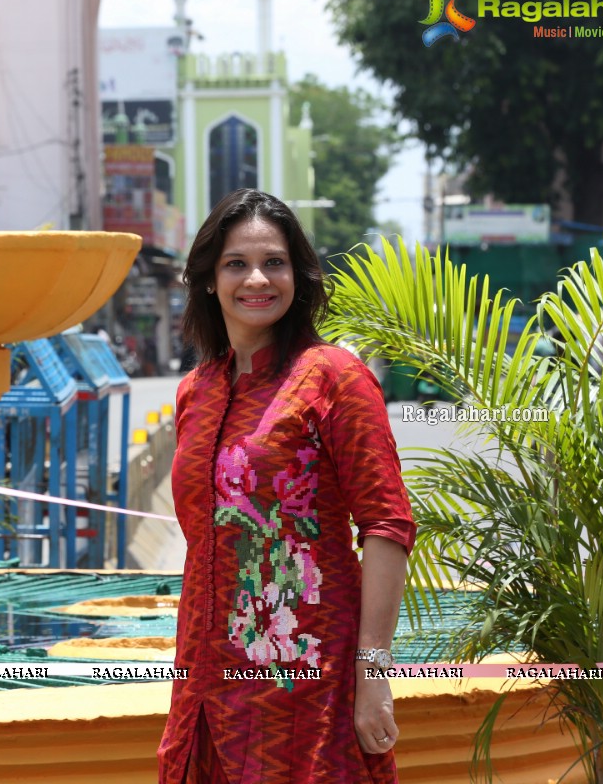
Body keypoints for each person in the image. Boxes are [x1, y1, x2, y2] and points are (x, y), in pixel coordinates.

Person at [158, 189, 416, 783]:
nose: (257, 279)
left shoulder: (334, 377)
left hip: (304, 680)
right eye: (236, 264)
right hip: (203, 677)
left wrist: (373, 671)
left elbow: (386, 524)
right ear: (207, 279)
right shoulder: (196, 392)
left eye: (274, 262)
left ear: (297, 274)